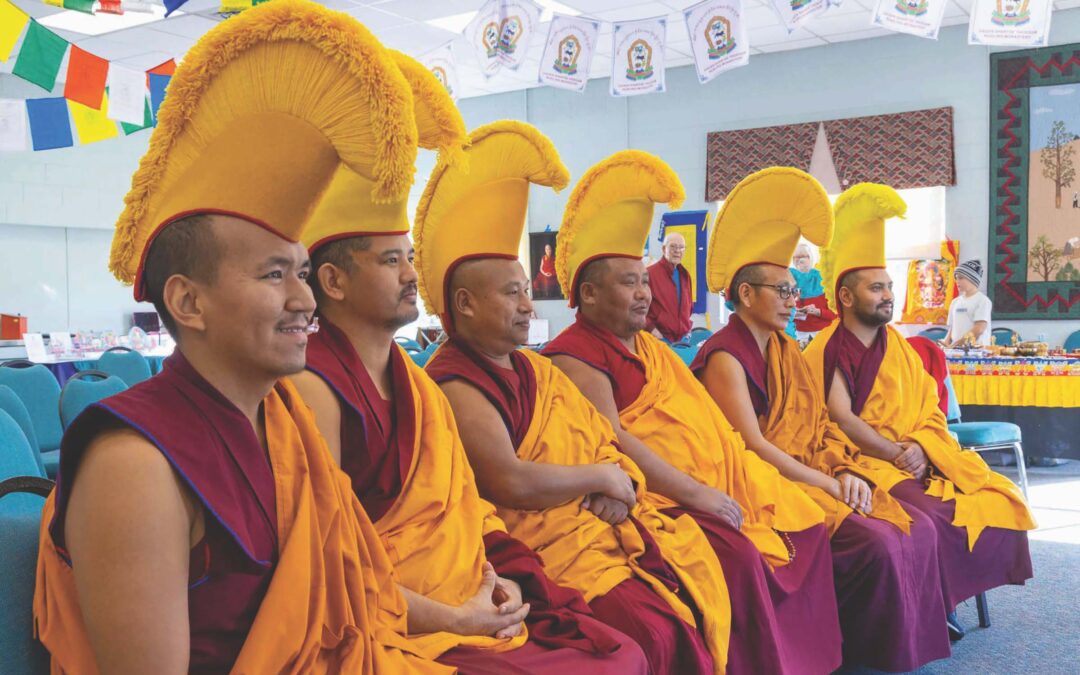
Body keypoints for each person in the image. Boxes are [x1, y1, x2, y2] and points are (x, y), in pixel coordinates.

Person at [33, 2, 448, 672]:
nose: (305, 299)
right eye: (274, 274)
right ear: (187, 301)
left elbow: (351, 597)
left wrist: (459, 617)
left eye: (304, 272)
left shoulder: (287, 430)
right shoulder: (134, 463)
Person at [290, 95, 647, 673]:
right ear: (332, 280)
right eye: (389, 262)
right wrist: (457, 617)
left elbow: (464, 508)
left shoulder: (413, 383)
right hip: (406, 617)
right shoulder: (316, 388)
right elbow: (329, 565)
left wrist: (497, 576)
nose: (411, 275)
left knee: (619, 648)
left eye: (409, 257)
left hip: (474, 583)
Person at [419, 128, 731, 675]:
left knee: (687, 591)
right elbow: (509, 482)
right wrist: (599, 480)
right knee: (649, 628)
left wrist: (619, 481)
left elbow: (603, 439)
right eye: (510, 292)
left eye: (524, 289)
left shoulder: (535, 369)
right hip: (542, 543)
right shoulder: (454, 380)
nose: (526, 304)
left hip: (595, 524)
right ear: (464, 304)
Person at [543, 151, 843, 675]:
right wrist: (697, 492)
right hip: (658, 497)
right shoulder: (575, 355)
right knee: (741, 556)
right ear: (588, 294)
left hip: (708, 476)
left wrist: (733, 473)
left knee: (805, 521)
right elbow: (613, 442)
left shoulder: (649, 348)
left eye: (644, 280)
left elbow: (708, 423)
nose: (644, 293)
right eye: (628, 283)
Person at [690, 167, 953, 671]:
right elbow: (752, 447)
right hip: (758, 482)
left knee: (910, 526)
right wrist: (829, 484)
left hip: (803, 470)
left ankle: (886, 646)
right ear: (747, 295)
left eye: (794, 291)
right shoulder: (725, 355)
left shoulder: (784, 350)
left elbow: (814, 430)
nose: (796, 301)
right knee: (875, 538)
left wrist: (843, 469)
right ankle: (855, 651)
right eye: (783, 291)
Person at [803, 183, 1035, 640]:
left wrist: (920, 447)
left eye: (889, 286)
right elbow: (837, 417)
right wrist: (895, 453)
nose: (888, 295)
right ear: (846, 297)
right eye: (876, 288)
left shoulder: (902, 350)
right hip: (863, 461)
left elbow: (929, 408)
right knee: (926, 519)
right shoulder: (828, 348)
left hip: (911, 455)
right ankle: (928, 609)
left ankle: (939, 602)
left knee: (991, 497)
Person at [645, 232, 693, 342]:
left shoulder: (685, 275)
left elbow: (689, 307)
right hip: (659, 339)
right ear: (663, 249)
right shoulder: (649, 274)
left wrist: (687, 329)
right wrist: (652, 329)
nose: (677, 251)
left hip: (683, 340)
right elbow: (637, 309)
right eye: (673, 246)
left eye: (681, 247)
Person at [790, 243, 836, 343]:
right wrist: (795, 312)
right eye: (796, 257)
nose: (801, 260)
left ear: (811, 258)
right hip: (799, 334)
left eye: (804, 256)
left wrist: (818, 311)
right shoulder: (789, 279)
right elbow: (781, 313)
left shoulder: (824, 279)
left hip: (824, 333)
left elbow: (836, 314)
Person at [943, 259, 992, 348]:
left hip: (977, 353)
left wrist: (957, 344)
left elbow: (979, 328)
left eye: (961, 278)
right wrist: (945, 346)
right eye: (956, 278)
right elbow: (952, 329)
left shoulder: (983, 301)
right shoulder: (955, 302)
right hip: (956, 351)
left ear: (972, 279)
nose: (957, 281)